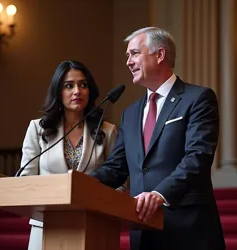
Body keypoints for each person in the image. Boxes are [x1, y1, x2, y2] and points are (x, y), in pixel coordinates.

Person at [90, 27, 225, 250]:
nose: (128, 62)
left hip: (188, 229)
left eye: (134, 53)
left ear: (159, 55)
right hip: (143, 229)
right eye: (127, 56)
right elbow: (116, 167)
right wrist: (81, 182)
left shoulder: (198, 98)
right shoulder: (130, 113)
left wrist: (159, 194)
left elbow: (197, 157)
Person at [19, 60, 125, 250]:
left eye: (83, 85)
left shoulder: (108, 131)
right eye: (69, 85)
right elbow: (27, 181)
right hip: (46, 228)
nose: (77, 91)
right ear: (58, 92)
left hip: (96, 226)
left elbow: (119, 185)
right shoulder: (37, 129)